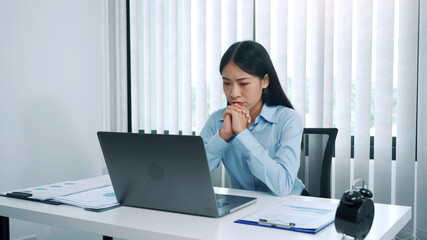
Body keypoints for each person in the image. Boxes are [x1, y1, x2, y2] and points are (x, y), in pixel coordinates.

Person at [200, 40, 305, 197]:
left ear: (265, 81)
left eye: (243, 84)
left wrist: (243, 134)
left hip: (288, 206)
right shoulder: (218, 120)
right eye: (227, 83)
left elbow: (283, 187)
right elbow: (191, 176)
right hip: (244, 207)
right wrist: (223, 137)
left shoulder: (288, 119)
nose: (233, 93)